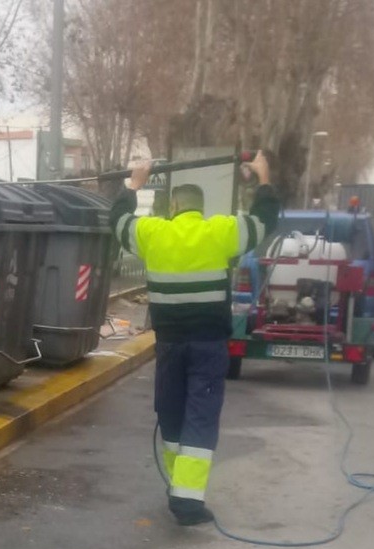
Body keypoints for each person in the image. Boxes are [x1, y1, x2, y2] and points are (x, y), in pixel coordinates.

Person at [110, 151, 280, 525]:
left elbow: (118, 222)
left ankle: (179, 485)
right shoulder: (220, 232)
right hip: (208, 345)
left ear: (172, 206)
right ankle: (186, 500)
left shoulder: (153, 233)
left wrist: (134, 184)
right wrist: (263, 178)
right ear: (200, 209)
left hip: (170, 345)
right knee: (200, 416)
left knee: (170, 412)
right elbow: (266, 220)